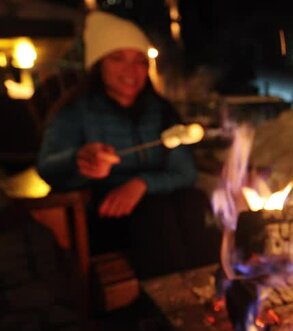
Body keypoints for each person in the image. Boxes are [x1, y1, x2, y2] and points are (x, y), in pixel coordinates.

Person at [37, 11, 220, 279]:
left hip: (162, 207)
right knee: (154, 212)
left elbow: (185, 173)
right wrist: (79, 160)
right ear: (98, 63)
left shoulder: (161, 112)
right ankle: (166, 302)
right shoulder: (75, 113)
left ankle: (212, 289)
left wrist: (141, 184)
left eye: (140, 61)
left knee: (194, 201)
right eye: (117, 58)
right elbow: (47, 166)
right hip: (104, 215)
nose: (131, 71)